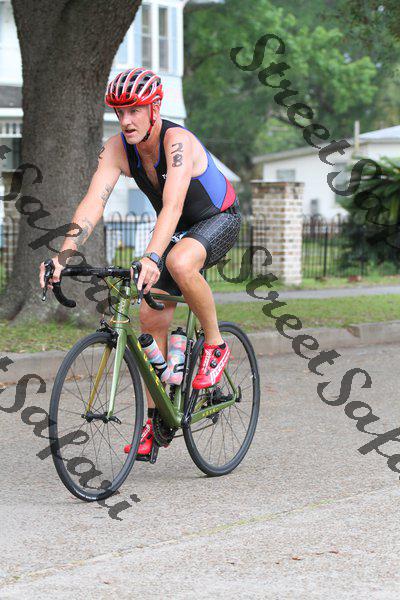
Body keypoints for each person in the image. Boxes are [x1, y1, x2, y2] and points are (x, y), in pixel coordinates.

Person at [39, 67, 241, 457]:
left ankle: (215, 345)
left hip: (218, 218)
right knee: (150, 315)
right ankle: (156, 418)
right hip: (177, 229)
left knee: (180, 262)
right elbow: (93, 202)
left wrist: (151, 256)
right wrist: (63, 254)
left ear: (155, 109)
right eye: (120, 112)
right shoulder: (117, 148)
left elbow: (174, 205)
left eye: (134, 110)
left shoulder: (177, 142)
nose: (126, 120)